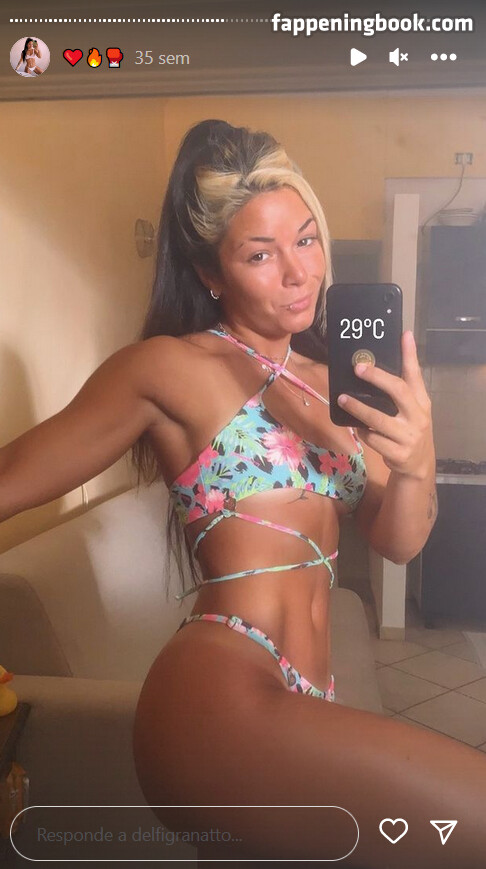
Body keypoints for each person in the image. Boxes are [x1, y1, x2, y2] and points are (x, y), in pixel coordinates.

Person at [1, 119, 485, 867]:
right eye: (260, 254)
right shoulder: (168, 369)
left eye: (306, 239)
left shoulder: (337, 383)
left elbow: (398, 541)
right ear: (211, 274)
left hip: (308, 691)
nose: (298, 272)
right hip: (220, 692)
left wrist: (418, 461)